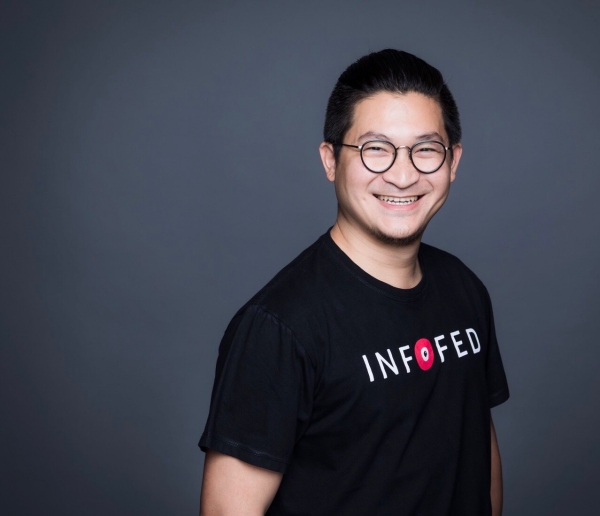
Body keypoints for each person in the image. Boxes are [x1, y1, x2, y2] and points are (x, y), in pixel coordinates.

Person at [198, 49, 509, 515]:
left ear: (453, 161)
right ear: (330, 160)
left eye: (426, 149)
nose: (402, 176)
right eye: (375, 149)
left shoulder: (464, 288)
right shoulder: (279, 327)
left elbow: (478, 452)